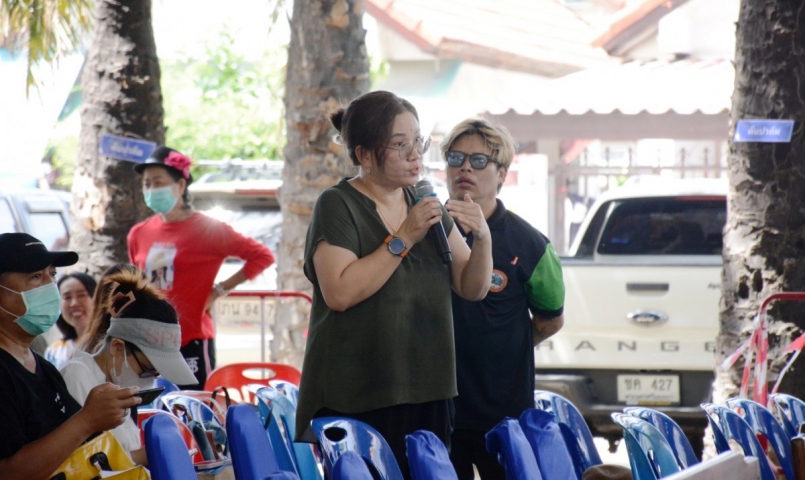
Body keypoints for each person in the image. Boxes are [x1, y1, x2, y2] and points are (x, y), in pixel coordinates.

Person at [295, 91, 493, 478]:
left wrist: (483, 238)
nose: (415, 154)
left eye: (418, 141)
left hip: (430, 389)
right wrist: (404, 236)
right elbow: (339, 293)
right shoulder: (338, 204)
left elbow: (472, 287)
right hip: (358, 393)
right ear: (365, 155)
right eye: (400, 145)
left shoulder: (424, 201)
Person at [442, 119, 566, 480]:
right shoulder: (423, 230)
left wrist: (502, 346)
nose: (465, 168)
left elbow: (550, 320)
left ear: (501, 174)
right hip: (438, 411)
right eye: (456, 158)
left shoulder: (531, 244)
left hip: (503, 414)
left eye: (479, 160)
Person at [128, 147, 275, 389]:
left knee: (194, 407)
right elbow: (138, 283)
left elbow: (262, 256)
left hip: (191, 340)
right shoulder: (138, 233)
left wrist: (218, 290)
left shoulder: (208, 229)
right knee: (153, 408)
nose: (151, 189)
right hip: (149, 344)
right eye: (147, 184)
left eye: (158, 182)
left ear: (180, 185)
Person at [0, 233, 141, 480]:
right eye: (36, 277)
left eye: (52, 275)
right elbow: (9, 473)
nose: (50, 287)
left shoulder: (44, 368)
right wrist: (86, 420)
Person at [60, 268, 198, 465]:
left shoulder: (115, 387)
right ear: (117, 347)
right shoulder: (78, 376)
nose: (151, 379)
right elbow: (77, 465)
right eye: (148, 369)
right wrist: (145, 457)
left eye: (158, 373)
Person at [44, 273, 97, 368]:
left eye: (81, 295)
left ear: (97, 299)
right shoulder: (54, 352)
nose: (74, 303)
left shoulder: (111, 343)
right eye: (67, 297)